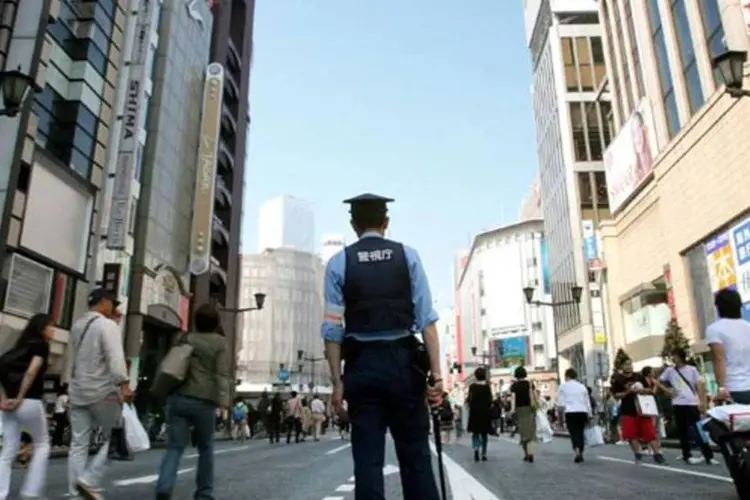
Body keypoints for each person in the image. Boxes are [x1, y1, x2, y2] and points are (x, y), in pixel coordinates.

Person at [321, 193, 443, 500]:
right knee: (416, 456)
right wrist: (437, 377)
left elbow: (332, 330)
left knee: (367, 460)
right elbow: (427, 322)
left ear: (353, 225)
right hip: (404, 366)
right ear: (386, 222)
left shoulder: (339, 263)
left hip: (362, 368)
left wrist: (337, 382)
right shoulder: (408, 256)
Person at [155, 304, 230, 499]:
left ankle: (164, 485)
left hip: (178, 397)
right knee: (205, 448)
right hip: (204, 401)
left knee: (175, 447)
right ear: (216, 323)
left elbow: (172, 363)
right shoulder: (219, 343)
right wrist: (224, 402)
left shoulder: (186, 337)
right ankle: (204, 493)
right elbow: (221, 374)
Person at [64, 288, 132, 500]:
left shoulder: (77, 325)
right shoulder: (106, 325)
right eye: (112, 303)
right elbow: (115, 358)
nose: (113, 308)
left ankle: (75, 492)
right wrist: (124, 385)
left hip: (78, 390)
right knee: (118, 435)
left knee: (78, 443)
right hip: (102, 391)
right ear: (103, 302)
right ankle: (90, 479)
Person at [0, 313, 54, 499]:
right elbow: (32, 372)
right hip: (29, 401)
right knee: (42, 444)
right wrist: (21, 397)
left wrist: (4, 399)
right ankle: (31, 491)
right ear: (41, 328)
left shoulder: (15, 350)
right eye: (50, 326)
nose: (53, 330)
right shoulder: (41, 345)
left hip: (7, 406)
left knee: (7, 451)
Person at [660, 348, 716, 464]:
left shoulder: (692, 369)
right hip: (677, 403)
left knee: (698, 429)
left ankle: (708, 455)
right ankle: (687, 454)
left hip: (691, 402)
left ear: (680, 357)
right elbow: (659, 381)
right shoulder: (669, 371)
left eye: (674, 356)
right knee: (682, 430)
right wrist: (668, 390)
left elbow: (700, 385)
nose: (672, 359)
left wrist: (702, 402)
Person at [610, 359, 665, 464]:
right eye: (626, 364)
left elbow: (649, 390)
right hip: (627, 409)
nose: (629, 366)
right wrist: (628, 391)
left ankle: (657, 454)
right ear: (622, 367)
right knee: (631, 434)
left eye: (630, 364)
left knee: (650, 432)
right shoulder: (618, 379)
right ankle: (637, 453)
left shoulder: (638, 377)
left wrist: (642, 390)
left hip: (642, 408)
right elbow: (616, 395)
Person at [706, 288, 750, 404]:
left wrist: (721, 387)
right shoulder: (748, 326)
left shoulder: (714, 329)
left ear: (718, 307)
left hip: (732, 388)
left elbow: (719, 358)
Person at [556, 368, 591, 463]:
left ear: (567, 376)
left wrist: (560, 418)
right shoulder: (582, 386)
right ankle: (581, 451)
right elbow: (587, 402)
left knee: (574, 432)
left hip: (570, 412)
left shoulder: (563, 387)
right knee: (580, 432)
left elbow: (560, 403)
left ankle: (577, 452)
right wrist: (590, 414)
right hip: (582, 412)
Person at [510, 366, 537, 462]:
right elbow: (534, 396)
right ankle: (530, 453)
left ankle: (526, 454)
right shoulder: (530, 384)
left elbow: (513, 398)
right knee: (529, 432)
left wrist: (512, 410)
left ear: (516, 375)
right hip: (530, 409)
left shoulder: (514, 386)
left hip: (519, 410)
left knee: (523, 432)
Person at [466, 367, 493, 461]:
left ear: (476, 376)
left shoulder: (472, 387)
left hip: (474, 412)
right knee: (484, 434)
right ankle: (484, 453)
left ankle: (476, 450)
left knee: (475, 433)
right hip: (485, 412)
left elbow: (469, 399)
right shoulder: (487, 386)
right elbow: (490, 400)